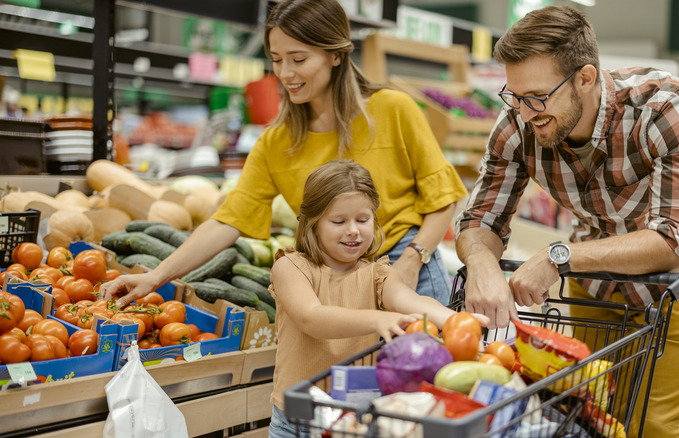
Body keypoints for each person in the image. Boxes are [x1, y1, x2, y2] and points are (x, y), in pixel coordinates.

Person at [455, 6, 679, 438]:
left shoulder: (662, 107)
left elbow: (676, 239)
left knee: (653, 425)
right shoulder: (517, 126)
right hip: (593, 285)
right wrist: (481, 264)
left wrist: (559, 256)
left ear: (586, 78)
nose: (523, 113)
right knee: (587, 411)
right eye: (514, 97)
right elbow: (481, 216)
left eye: (537, 97)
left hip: (672, 286)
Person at [101, 0, 467, 307]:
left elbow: (442, 199)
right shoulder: (277, 142)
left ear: (335, 56)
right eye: (277, 59)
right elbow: (227, 221)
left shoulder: (392, 110)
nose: (285, 73)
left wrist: (412, 259)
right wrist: (156, 276)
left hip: (407, 269)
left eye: (298, 59)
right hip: (333, 281)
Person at [267, 159, 488, 437]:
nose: (353, 230)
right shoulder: (291, 266)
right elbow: (311, 317)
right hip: (295, 421)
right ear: (313, 223)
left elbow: (410, 301)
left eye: (363, 220)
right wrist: (377, 319)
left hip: (353, 422)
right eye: (339, 221)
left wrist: (458, 321)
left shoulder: (376, 274)